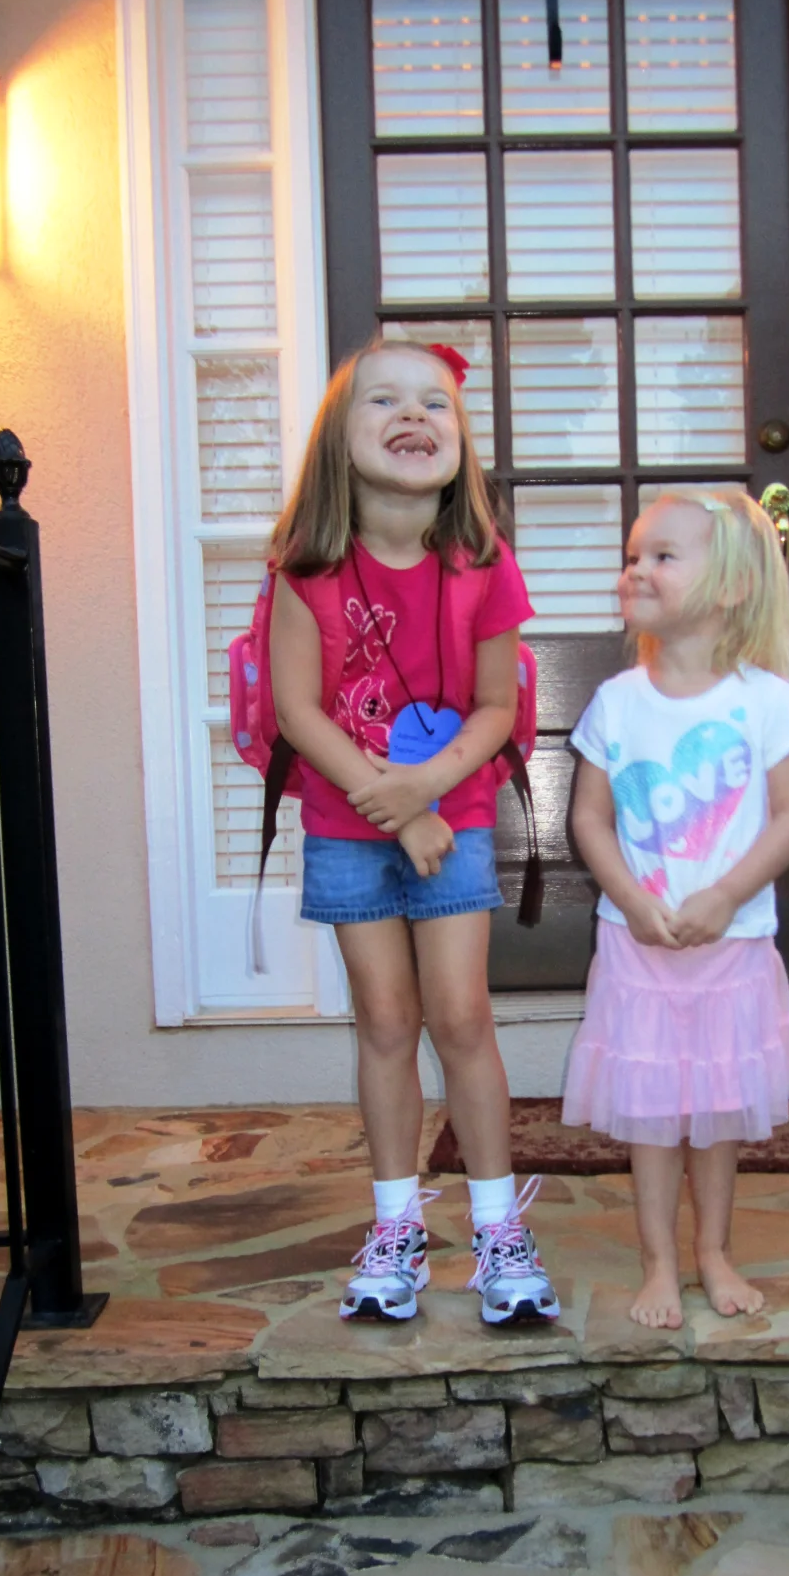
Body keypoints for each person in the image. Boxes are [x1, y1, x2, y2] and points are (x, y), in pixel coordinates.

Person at [269, 338, 559, 1327]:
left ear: (459, 440)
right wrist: (389, 802)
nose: (414, 416)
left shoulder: (483, 564)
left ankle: (497, 1228)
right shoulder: (306, 568)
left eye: (436, 403)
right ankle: (396, 1227)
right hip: (347, 826)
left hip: (455, 818)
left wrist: (428, 792)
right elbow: (298, 710)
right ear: (339, 439)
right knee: (386, 1023)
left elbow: (495, 706)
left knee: (462, 1017)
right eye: (384, 400)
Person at [563, 488, 789, 1330]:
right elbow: (589, 820)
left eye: (663, 556)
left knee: (716, 1113)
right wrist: (631, 900)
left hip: (730, 948)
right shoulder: (617, 702)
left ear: (732, 586)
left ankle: (713, 1251)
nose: (637, 569)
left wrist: (725, 895)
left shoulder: (764, 700)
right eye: (633, 556)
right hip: (637, 950)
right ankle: (658, 1263)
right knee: (651, 1117)